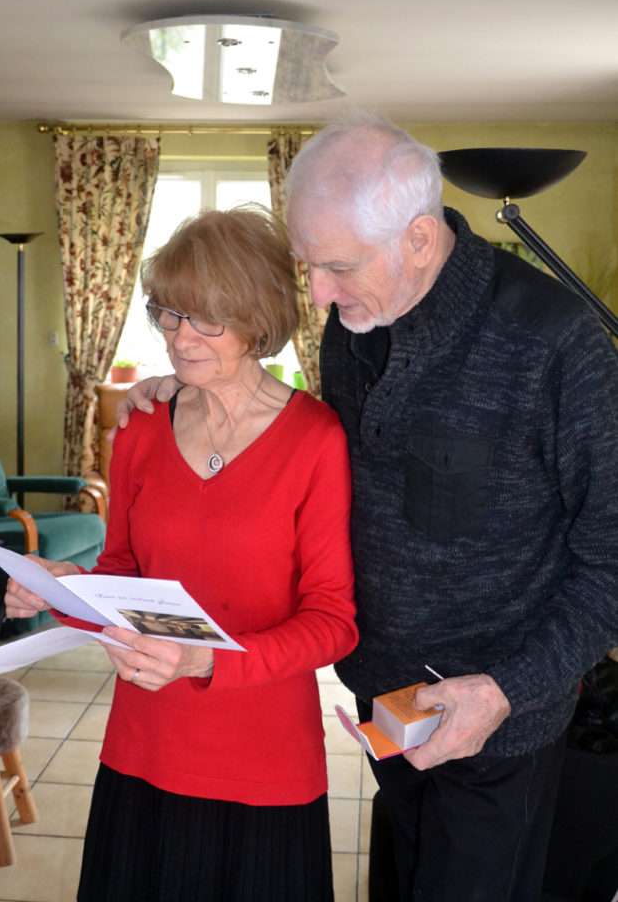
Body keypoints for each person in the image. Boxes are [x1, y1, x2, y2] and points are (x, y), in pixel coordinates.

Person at [120, 118, 618, 902]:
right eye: (309, 265)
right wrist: (188, 383)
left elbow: (610, 557)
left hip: (494, 716)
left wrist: (504, 688)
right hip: (385, 703)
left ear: (417, 238)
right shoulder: (353, 323)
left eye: (338, 267)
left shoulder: (552, 341)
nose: (318, 293)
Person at [5, 206, 358, 902]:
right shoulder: (141, 427)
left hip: (263, 759)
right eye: (168, 314)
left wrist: (204, 661)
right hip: (144, 744)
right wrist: (63, 590)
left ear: (258, 320)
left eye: (206, 320)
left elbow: (332, 623)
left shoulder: (315, 439)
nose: (179, 338)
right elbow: (123, 577)